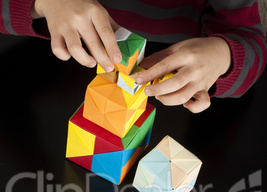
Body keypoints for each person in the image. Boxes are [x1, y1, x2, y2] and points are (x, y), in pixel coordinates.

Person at [1, 0, 266, 113]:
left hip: (174, 92)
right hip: (44, 68)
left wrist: (225, 55)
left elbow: (251, 40)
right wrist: (41, 4)